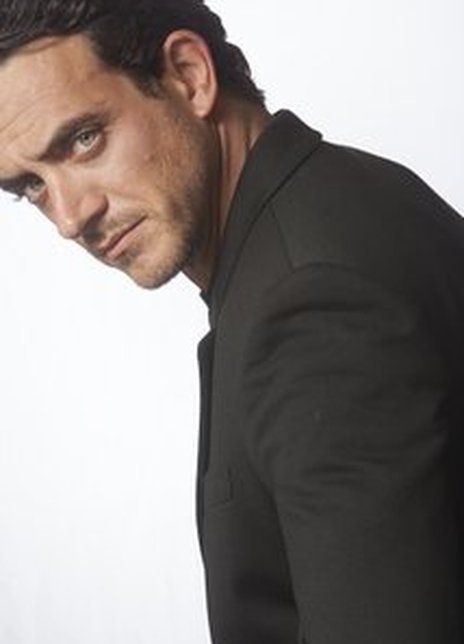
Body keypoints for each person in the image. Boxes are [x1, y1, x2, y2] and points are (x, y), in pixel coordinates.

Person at [0, 1, 463, 642]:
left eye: (84, 139)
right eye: (31, 186)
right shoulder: (341, 199)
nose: (71, 216)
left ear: (189, 75)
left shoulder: (310, 303)